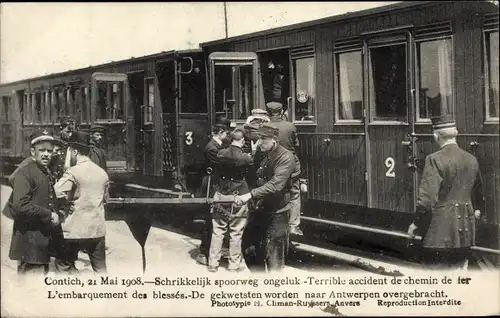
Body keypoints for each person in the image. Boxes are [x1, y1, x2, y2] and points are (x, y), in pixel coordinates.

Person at [407, 115, 485, 270]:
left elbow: (427, 201)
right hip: (464, 233)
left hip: (438, 234)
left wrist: (416, 223)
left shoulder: (434, 159)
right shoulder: (471, 159)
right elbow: (478, 194)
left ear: (436, 136)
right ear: (456, 133)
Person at [235, 124, 295, 272]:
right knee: (249, 249)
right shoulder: (261, 153)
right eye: (259, 138)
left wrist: (250, 195)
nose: (259, 142)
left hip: (277, 212)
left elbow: (276, 185)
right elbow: (253, 175)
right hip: (260, 209)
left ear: (274, 140)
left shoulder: (286, 157)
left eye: (263, 139)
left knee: (274, 257)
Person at [53, 131, 110, 274]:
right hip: (97, 229)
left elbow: (55, 192)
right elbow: (106, 199)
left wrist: (66, 204)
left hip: (74, 230)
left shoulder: (73, 172)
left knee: (64, 266)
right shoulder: (102, 173)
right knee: (101, 271)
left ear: (75, 151)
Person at [8, 130, 60, 275]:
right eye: (41, 150)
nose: (46, 154)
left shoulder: (44, 170)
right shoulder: (25, 172)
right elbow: (20, 205)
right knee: (32, 287)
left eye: (49, 151)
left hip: (40, 240)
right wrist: (49, 214)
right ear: (32, 151)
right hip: (30, 241)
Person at [208, 128, 254, 273]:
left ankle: (213, 263)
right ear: (243, 141)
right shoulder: (246, 158)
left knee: (218, 231)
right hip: (238, 197)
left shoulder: (221, 153)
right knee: (236, 232)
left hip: (221, 195)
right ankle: (234, 265)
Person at [196, 117, 232, 266]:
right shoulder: (212, 148)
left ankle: (214, 250)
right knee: (210, 220)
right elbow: (222, 165)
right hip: (211, 186)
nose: (228, 136)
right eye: (227, 133)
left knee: (218, 219)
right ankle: (203, 252)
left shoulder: (218, 145)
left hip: (217, 184)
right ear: (221, 132)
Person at [266, 101, 303, 236]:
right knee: (294, 193)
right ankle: (294, 225)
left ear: (268, 113)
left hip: (274, 164)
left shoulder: (265, 127)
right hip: (291, 164)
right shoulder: (290, 126)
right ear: (281, 112)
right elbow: (296, 145)